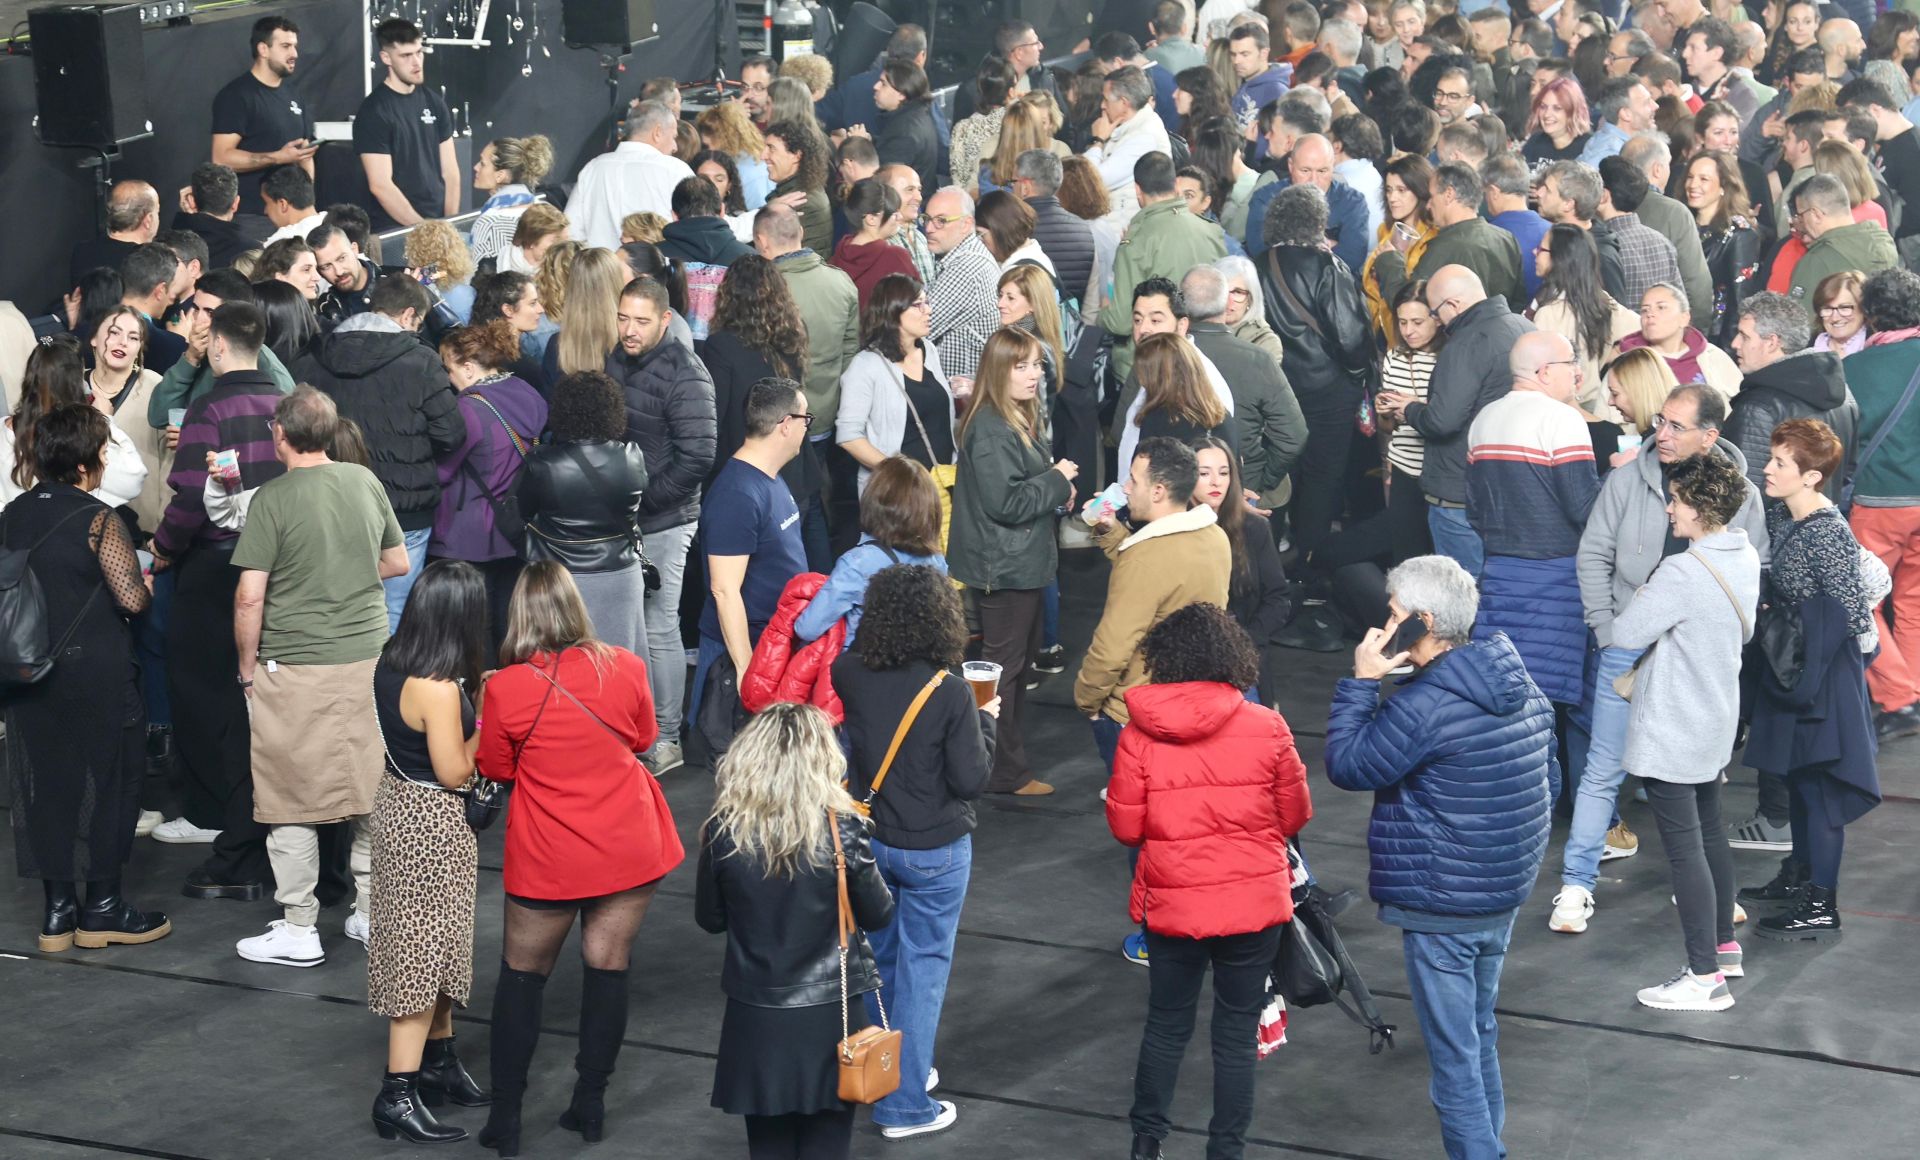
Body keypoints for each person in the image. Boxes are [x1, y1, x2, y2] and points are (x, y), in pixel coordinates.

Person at [1325, 555, 1553, 1160]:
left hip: (1444, 903)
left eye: (1394, 615)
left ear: (1422, 622)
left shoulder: (1423, 706)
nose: (1384, 625)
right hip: (1501, 892)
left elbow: (1348, 765)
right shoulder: (1517, 680)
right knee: (1478, 1033)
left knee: (1454, 1056)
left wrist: (1362, 683)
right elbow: (1548, 779)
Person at [474, 562, 682, 1156]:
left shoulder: (507, 687)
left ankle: (506, 1119)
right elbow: (643, 741)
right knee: (607, 965)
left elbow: (495, 769)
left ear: (521, 616)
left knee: (522, 978)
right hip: (629, 841)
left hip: (552, 852)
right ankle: (589, 1104)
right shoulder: (627, 666)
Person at [1554, 383, 1768, 935]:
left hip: (1696, 660)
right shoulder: (1628, 481)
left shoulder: (1741, 492)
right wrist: (1606, 632)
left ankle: (1703, 890)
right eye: (1660, 422)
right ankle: (1576, 885)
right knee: (1603, 767)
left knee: (1699, 782)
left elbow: (1754, 568)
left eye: (1676, 426)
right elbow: (1594, 553)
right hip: (1628, 646)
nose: (1661, 434)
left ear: (1710, 434)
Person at [1108, 602, 1310, 1160]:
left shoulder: (1138, 734)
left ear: (1164, 659)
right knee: (1235, 1034)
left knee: (1166, 1025)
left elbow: (1127, 829)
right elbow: (1293, 818)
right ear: (1232, 656)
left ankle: (1146, 1144)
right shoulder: (1267, 725)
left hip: (1173, 906)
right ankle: (1227, 1151)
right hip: (1253, 905)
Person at [231, 386, 408, 969]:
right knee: (369, 792)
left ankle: (300, 925)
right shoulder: (364, 482)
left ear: (278, 434)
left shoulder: (272, 500)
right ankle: (372, 912)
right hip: (367, 661)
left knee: (289, 798)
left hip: (294, 666)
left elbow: (249, 599)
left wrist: (246, 670)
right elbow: (396, 562)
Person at [825, 564, 992, 1139]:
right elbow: (970, 778)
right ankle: (904, 1106)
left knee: (885, 963)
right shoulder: (948, 690)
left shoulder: (848, 670)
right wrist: (985, 720)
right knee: (924, 969)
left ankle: (899, 1067)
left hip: (872, 843)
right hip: (936, 851)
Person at [1588, 450, 1755, 1010]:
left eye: (1678, 501)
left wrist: (1646, 588)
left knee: (1684, 852)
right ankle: (1723, 948)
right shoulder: (1744, 556)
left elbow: (1627, 632)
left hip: (1673, 726)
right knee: (1711, 836)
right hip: (1713, 719)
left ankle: (1703, 977)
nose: (1669, 510)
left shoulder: (1683, 570)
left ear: (1702, 509)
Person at [696, 702, 893, 1160]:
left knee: (768, 1147)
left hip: (756, 1016)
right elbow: (879, 914)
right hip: (833, 1014)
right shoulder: (844, 830)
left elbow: (710, 920)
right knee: (828, 1143)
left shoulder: (724, 833)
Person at [8, 404, 163, 953]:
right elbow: (131, 599)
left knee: (47, 787)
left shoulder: (12, 515)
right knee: (112, 783)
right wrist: (144, 583)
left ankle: (57, 913)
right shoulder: (100, 519)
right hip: (95, 672)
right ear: (87, 459)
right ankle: (102, 909)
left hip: (28, 672)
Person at [1741, 419, 1880, 944]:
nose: (1768, 469)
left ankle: (1821, 902)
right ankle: (1800, 877)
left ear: (1813, 476)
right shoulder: (1784, 516)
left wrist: (1801, 655)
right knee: (1799, 783)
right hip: (1795, 666)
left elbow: (1852, 612)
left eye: (1780, 462)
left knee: (1818, 789)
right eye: (1772, 458)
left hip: (1820, 675)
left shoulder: (1826, 531)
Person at [366, 561, 490, 1143]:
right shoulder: (437, 689)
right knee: (420, 958)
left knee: (437, 948)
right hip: (430, 825)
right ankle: (397, 1095)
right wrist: (489, 721)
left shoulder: (392, 660)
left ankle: (438, 1065)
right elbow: (456, 772)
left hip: (398, 809)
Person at [292, 276, 462, 631]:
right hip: (403, 510)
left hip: (329, 505)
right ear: (409, 315)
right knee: (393, 613)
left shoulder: (312, 357)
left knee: (333, 608)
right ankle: (379, 686)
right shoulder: (421, 361)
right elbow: (451, 434)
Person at [948, 329, 1074, 795]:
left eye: (1037, 365)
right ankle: (998, 768)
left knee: (1008, 668)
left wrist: (1054, 485)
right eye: (1022, 366)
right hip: (1004, 566)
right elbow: (1007, 503)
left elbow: (1016, 491)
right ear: (999, 370)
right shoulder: (993, 427)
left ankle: (998, 764)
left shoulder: (1007, 418)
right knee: (1001, 670)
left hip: (1015, 562)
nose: (1034, 375)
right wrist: (1058, 480)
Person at [608, 275, 716, 770]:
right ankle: (642, 727)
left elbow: (698, 457)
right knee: (635, 626)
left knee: (658, 625)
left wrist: (644, 502)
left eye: (641, 321)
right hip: (627, 517)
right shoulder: (617, 358)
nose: (629, 330)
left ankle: (667, 738)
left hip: (667, 519)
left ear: (665, 321)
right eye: (623, 318)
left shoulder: (686, 372)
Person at [1464, 330, 1602, 711]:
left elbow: (1473, 508)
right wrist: (1617, 477)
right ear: (1544, 372)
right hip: (1556, 582)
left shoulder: (1484, 419)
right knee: (1552, 706)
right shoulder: (1563, 419)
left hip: (1498, 576)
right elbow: (1584, 507)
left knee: (1504, 693)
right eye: (1569, 362)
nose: (1576, 372)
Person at [1376, 266, 1534, 579]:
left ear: (1453, 305)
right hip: (1511, 484)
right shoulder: (1523, 328)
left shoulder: (1465, 343)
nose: (1439, 321)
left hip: (1458, 489)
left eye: (1435, 313)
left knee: (1461, 593)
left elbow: (1441, 422)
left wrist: (1410, 408)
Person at [1257, 185, 1373, 569]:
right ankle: (1311, 560)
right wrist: (1357, 377)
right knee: (1323, 476)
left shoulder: (1257, 266)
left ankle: (1271, 556)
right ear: (1318, 222)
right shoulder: (1329, 267)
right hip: (1328, 390)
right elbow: (1351, 336)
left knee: (1280, 470)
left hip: (1276, 389)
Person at [692, 378, 810, 726]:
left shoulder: (769, 476)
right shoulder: (738, 494)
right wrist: (747, 669)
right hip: (746, 653)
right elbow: (724, 589)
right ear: (786, 425)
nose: (807, 429)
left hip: (772, 643)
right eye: (806, 420)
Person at [431, 322, 547, 643]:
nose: (446, 376)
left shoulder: (468, 408)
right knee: (510, 627)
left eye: (448, 367)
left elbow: (442, 471)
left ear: (467, 368)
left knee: (472, 634)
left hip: (467, 534)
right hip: (514, 528)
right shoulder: (528, 393)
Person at [1097, 153, 1229, 383]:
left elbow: (1120, 321)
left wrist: (1101, 313)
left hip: (1148, 368)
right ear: (1176, 185)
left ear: (1138, 190)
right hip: (1204, 361)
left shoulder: (1136, 242)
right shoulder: (1211, 232)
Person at [1181, 265, 1306, 507]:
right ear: (1220, 300)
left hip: (1179, 493)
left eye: (1239, 292)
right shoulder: (1257, 359)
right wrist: (1259, 479)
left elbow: (1124, 428)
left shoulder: (1161, 355)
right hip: (1243, 486)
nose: (1232, 299)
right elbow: (1294, 435)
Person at [797, 457, 947, 649]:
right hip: (917, 669)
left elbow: (808, 628)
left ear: (874, 503)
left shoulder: (859, 562)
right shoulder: (936, 560)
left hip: (861, 671)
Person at [1724, 291, 1858, 506]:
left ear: (1772, 342)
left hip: (1770, 536)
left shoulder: (1756, 407)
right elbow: (1847, 472)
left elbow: (1740, 491)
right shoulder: (1846, 396)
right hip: (1820, 527)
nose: (1735, 343)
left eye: (1745, 336)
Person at [836, 274, 957, 496]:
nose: (927, 310)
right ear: (893, 312)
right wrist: (898, 475)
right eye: (918, 305)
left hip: (943, 484)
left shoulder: (928, 350)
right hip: (899, 495)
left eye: (927, 303)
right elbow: (849, 436)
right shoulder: (865, 366)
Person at [1191, 436, 1291, 703]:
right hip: (1190, 663)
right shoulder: (1175, 530)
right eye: (1204, 473)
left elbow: (1278, 599)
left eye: (1224, 473)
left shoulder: (1253, 528)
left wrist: (1245, 642)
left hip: (1243, 660)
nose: (1216, 482)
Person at [1370, 161, 1525, 324]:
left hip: (1458, 343)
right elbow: (1517, 302)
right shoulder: (1506, 239)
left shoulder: (1444, 247)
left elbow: (1409, 306)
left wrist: (1389, 260)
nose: (1428, 205)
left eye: (1431, 196)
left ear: (1449, 194)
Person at [354, 20, 457, 230]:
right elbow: (381, 185)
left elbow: (451, 172)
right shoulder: (373, 111)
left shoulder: (434, 102)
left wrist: (451, 224)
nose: (416, 62)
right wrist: (424, 230)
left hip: (438, 225)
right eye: (406, 56)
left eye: (419, 52)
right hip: (396, 229)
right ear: (386, 58)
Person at [1530, 224, 1640, 415]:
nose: (1534, 252)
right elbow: (1639, 326)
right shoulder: (1599, 299)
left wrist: (1615, 354)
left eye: (1541, 249)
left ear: (1560, 258)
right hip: (1592, 405)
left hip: (1560, 410)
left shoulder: (1551, 312)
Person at [211, 17, 315, 217]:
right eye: (285, 46)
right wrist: (278, 157)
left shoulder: (293, 94)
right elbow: (221, 158)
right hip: (253, 215)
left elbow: (305, 152)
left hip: (293, 214)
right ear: (263, 50)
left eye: (294, 46)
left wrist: (307, 200)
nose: (294, 54)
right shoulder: (236, 96)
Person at [572, 102, 694, 250]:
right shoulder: (676, 170)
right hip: (659, 269)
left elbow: (572, 232)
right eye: (674, 137)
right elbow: (695, 231)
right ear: (657, 132)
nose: (675, 147)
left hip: (601, 271)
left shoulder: (593, 168)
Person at [920, 188, 1004, 384]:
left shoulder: (967, 268)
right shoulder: (963, 255)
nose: (929, 228)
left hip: (963, 399)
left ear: (966, 224)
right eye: (926, 219)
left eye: (941, 221)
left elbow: (917, 328)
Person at [1787, 174, 1899, 318]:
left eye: (1801, 215)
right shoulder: (1883, 241)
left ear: (1815, 214)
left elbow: (1799, 323)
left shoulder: (1817, 260)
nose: (1801, 221)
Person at [1684, 150, 1761, 350]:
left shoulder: (1740, 236)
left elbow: (1740, 303)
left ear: (1724, 186)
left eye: (1704, 179)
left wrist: (1726, 355)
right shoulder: (1682, 225)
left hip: (1713, 341)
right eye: (1690, 177)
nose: (1693, 185)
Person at [1616, 282, 1743, 401]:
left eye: (1661, 307)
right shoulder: (1627, 363)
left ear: (1684, 318)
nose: (1650, 314)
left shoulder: (1712, 356)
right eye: (1644, 310)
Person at [1085, 67, 1174, 221]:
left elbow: (1091, 181)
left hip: (1122, 231)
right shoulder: (1129, 126)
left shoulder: (1144, 137)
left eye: (1106, 99)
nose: (1102, 106)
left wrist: (1097, 141)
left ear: (1124, 103)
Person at [1363, 154, 1434, 337]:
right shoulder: (1385, 230)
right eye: (1388, 190)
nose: (1392, 197)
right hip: (1378, 329)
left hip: (1410, 334)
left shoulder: (1434, 237)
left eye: (1401, 190)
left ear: (1420, 191)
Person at [829, 179, 919, 310]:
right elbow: (917, 304)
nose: (900, 217)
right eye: (894, 213)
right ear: (871, 219)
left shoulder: (838, 256)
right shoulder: (896, 257)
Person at [467, 135, 554, 265]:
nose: (476, 167)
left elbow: (470, 273)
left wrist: (426, 277)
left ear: (500, 176)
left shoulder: (490, 223)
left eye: (482, 164)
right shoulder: (547, 211)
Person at [863, 60, 940, 196]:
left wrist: (860, 148)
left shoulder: (905, 132)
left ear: (901, 94)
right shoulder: (915, 116)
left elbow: (883, 184)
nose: (876, 86)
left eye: (883, 83)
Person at [766, 119, 834, 257]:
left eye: (771, 148)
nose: (763, 156)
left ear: (796, 155)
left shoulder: (801, 202)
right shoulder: (798, 191)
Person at [695, 101, 773, 210]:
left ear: (726, 139)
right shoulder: (753, 161)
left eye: (707, 146)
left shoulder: (748, 174)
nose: (709, 152)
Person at [1523, 74, 1593, 164]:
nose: (1547, 114)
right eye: (1543, 107)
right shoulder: (1535, 141)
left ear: (1573, 111)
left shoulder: (1589, 147)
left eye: (1557, 108)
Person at [1809, 270, 1869, 357]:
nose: (1835, 318)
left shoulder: (1878, 349)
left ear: (1863, 309)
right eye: (1827, 308)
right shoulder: (1806, 351)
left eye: (1844, 308)